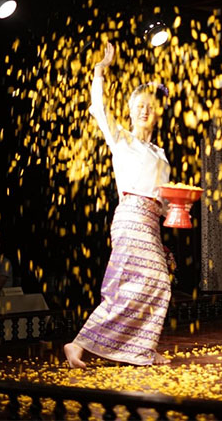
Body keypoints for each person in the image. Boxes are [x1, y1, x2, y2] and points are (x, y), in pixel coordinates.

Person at [64, 42, 172, 368]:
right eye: (139, 105)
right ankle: (79, 344)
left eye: (150, 107)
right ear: (130, 109)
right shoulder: (121, 138)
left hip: (150, 222)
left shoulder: (161, 156)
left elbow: (164, 200)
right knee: (137, 285)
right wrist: (100, 72)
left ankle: (142, 347)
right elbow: (100, 109)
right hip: (129, 217)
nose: (145, 111)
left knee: (157, 284)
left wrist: (176, 211)